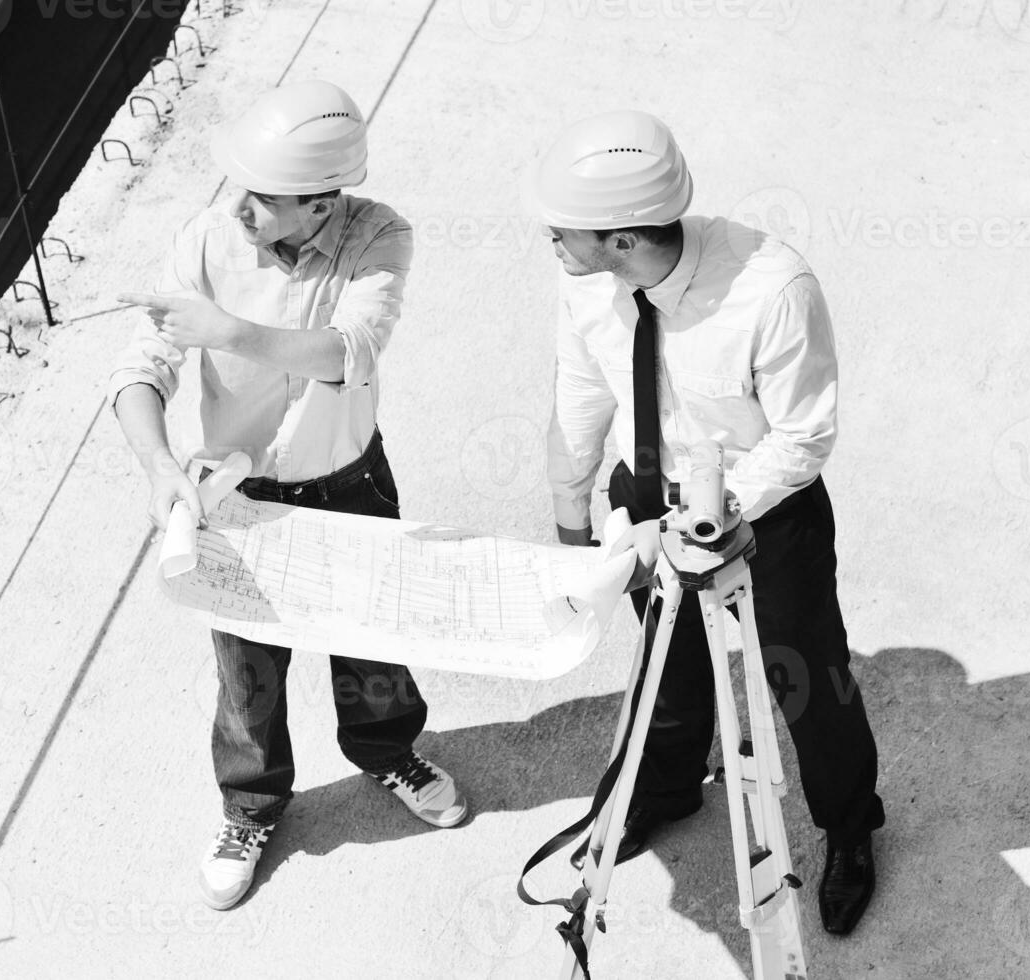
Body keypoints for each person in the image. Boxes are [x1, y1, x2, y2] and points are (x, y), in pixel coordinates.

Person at [108, 80, 468, 912]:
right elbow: (140, 365)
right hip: (236, 492)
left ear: (318, 205)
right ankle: (251, 805)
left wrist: (228, 331)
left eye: (262, 199)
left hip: (348, 480)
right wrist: (159, 465)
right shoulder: (205, 237)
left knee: (372, 635)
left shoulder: (380, 235)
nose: (240, 208)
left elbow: (350, 350)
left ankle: (387, 752)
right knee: (245, 669)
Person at [525, 109, 885, 935]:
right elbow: (583, 389)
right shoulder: (583, 279)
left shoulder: (773, 290)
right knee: (668, 659)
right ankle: (663, 791)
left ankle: (850, 825)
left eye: (562, 232)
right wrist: (571, 514)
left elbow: (804, 433)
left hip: (764, 511)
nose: (550, 243)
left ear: (621, 238)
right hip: (647, 498)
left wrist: (717, 511)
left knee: (807, 680)